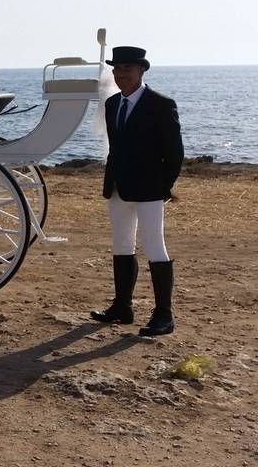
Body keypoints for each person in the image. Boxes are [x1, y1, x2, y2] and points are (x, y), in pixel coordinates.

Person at [91, 46, 184, 336]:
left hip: (150, 189)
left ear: (141, 70)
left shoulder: (161, 104)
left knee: (155, 246)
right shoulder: (112, 104)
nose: (120, 75)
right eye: (117, 69)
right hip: (118, 187)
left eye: (126, 69)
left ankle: (164, 316)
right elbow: (116, 149)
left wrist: (162, 186)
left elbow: (175, 153)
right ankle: (122, 306)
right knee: (122, 245)